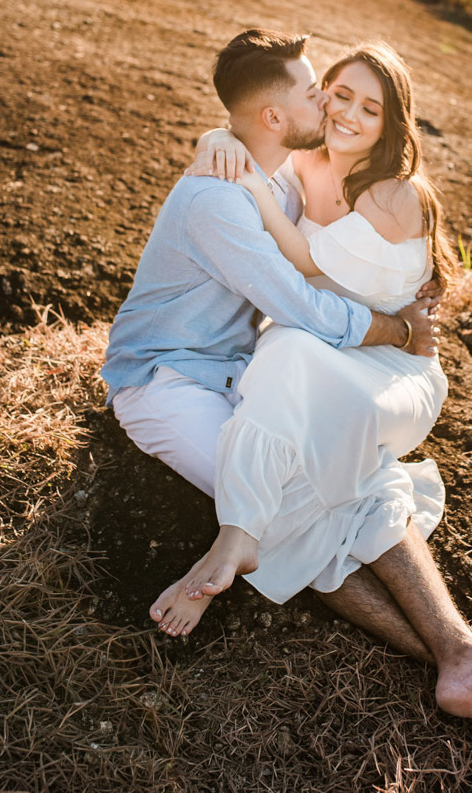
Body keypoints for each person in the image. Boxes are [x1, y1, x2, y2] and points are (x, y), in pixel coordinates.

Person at [102, 28, 472, 755]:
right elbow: (300, 306)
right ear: (272, 115)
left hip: (238, 372)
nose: (323, 99)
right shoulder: (222, 203)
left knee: (340, 468)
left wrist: (215, 136)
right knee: (295, 499)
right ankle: (457, 662)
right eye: (311, 89)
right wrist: (392, 328)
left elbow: (271, 180)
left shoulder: (283, 177)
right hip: (166, 383)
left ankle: (466, 661)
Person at [154, 40, 455, 618]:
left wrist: (251, 187)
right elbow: (256, 132)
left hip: (394, 364)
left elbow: (306, 260)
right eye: (340, 96)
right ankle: (243, 535)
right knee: (284, 358)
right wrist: (217, 140)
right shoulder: (307, 161)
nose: (349, 115)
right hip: (329, 347)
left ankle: (239, 535)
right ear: (321, 98)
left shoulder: (396, 193)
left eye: (372, 109)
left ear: (392, 123)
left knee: (285, 346)